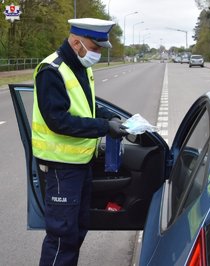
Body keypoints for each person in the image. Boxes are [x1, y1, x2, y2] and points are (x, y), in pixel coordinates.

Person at [32, 18, 128, 266]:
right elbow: (59, 120)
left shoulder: (80, 67)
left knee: (77, 230)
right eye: (94, 48)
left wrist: (111, 118)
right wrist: (104, 127)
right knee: (62, 237)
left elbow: (87, 108)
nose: (96, 54)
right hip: (60, 168)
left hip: (80, 163)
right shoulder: (51, 70)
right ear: (76, 43)